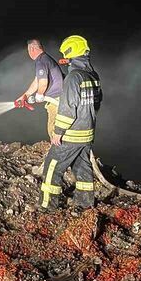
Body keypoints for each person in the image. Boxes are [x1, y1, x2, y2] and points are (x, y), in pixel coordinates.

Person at [39, 35, 103, 210]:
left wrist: (58, 132)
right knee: (82, 168)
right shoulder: (92, 75)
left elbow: (67, 109)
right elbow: (97, 103)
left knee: (52, 166)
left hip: (71, 135)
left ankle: (47, 207)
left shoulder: (73, 78)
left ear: (70, 53)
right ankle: (85, 204)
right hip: (87, 134)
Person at [14, 39, 63, 140]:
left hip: (56, 100)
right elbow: (37, 81)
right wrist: (25, 96)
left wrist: (40, 95)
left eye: (28, 50)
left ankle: (57, 153)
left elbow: (43, 82)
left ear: (32, 48)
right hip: (58, 98)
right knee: (57, 126)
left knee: (53, 127)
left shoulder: (41, 61)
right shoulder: (45, 59)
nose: (28, 53)